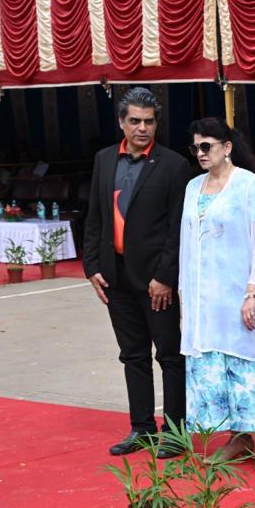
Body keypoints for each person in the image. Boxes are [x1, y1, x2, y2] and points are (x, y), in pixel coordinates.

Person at [83, 87, 190, 456]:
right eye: (135, 121)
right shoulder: (103, 160)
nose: (142, 128)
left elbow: (178, 229)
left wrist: (166, 277)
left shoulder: (174, 165)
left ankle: (176, 431)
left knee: (170, 355)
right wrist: (91, 266)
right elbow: (95, 215)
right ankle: (142, 428)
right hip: (115, 277)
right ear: (121, 123)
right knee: (133, 356)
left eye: (149, 121)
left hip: (156, 281)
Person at [178, 118, 255, 468]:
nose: (201, 153)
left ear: (227, 147)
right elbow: (185, 245)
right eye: (196, 147)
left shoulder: (248, 184)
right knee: (212, 366)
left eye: (207, 146)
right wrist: (184, 296)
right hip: (201, 295)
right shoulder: (193, 187)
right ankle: (236, 438)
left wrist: (253, 291)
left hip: (236, 292)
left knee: (246, 363)